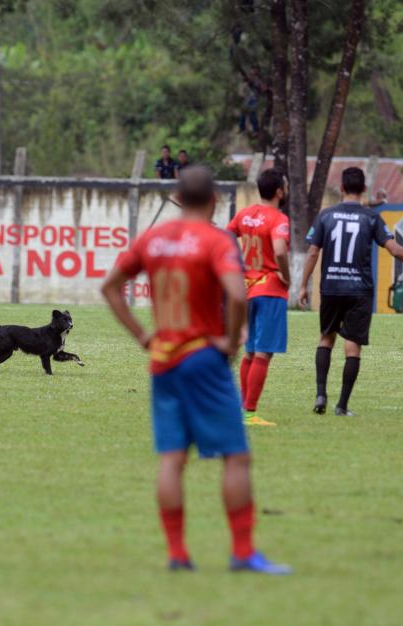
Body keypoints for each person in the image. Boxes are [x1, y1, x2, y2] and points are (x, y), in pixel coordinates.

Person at [101, 165, 291, 575]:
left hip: (163, 358)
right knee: (235, 458)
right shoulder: (215, 240)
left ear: (179, 198)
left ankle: (177, 554)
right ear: (215, 200)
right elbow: (238, 294)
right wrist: (229, 337)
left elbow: (110, 286)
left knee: (172, 458)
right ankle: (242, 553)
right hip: (203, 356)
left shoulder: (153, 239)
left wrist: (142, 337)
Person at [297, 167, 403, 416]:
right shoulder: (371, 217)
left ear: (341, 188)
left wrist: (302, 285)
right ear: (364, 190)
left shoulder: (325, 215)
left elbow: (312, 251)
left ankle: (320, 393)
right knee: (352, 347)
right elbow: (395, 250)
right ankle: (341, 405)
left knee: (326, 338)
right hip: (359, 290)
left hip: (331, 286)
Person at [226, 168, 290, 427]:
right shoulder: (278, 218)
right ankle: (249, 412)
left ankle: (243, 410)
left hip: (247, 289)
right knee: (263, 353)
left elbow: (227, 236)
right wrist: (286, 276)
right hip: (270, 290)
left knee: (251, 352)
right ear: (279, 191)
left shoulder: (245, 214)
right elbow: (280, 250)